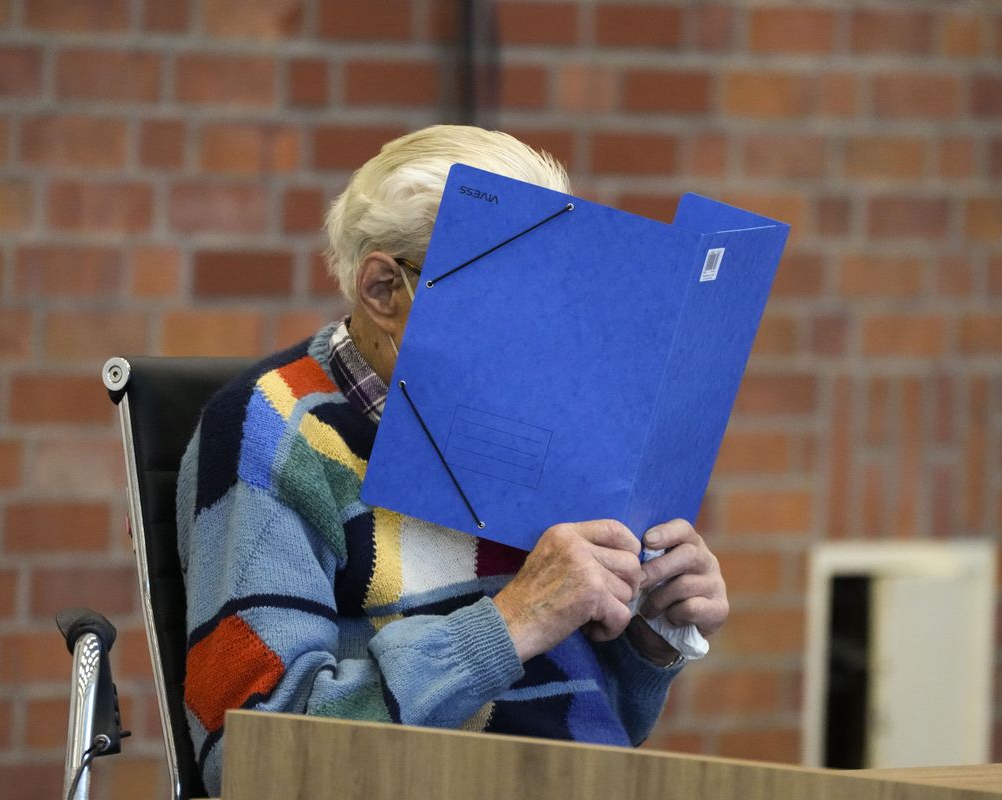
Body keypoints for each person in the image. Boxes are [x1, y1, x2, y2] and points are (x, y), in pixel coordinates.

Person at [176, 125, 729, 794]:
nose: (536, 332)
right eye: (502, 296)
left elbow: (592, 722)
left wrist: (650, 640)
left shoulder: (538, 417)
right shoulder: (274, 429)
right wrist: (510, 623)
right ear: (383, 290)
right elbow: (248, 754)